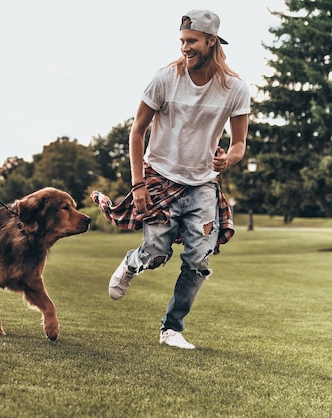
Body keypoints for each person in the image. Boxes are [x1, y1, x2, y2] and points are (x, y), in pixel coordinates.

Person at [107, 9, 250, 349]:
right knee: (156, 254)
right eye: (182, 41)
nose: (185, 48)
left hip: (202, 184)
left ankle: (172, 328)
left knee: (199, 258)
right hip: (160, 176)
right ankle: (132, 263)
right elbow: (137, 131)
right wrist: (138, 184)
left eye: (192, 41)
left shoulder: (235, 89)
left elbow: (241, 143)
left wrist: (228, 157)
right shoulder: (164, 79)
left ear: (211, 41)